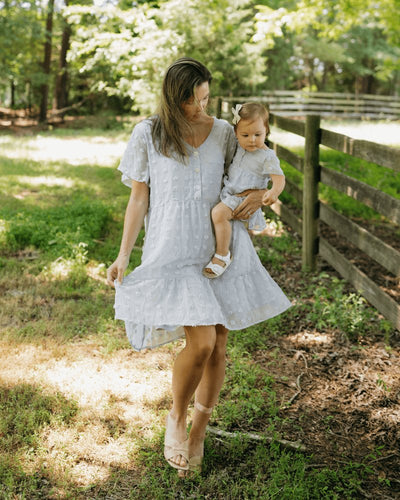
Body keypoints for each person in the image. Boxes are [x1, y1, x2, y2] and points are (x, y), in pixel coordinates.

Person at [106, 57, 291, 476]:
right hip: (174, 249)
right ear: (174, 100)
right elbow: (138, 199)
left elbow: (251, 166)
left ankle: (199, 432)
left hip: (221, 250)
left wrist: (257, 197)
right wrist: (122, 255)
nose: (202, 108)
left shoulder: (225, 132)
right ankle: (175, 417)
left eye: (207, 98)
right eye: (194, 101)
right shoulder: (149, 133)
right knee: (202, 343)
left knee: (220, 343)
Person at [203, 102, 286, 278]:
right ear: (236, 133)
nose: (252, 140)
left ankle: (222, 255)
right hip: (231, 192)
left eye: (258, 134)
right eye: (245, 134)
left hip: (243, 197)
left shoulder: (267, 156)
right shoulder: (239, 145)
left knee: (218, 214)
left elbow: (279, 178)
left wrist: (273, 192)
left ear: (267, 131)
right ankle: (237, 260)